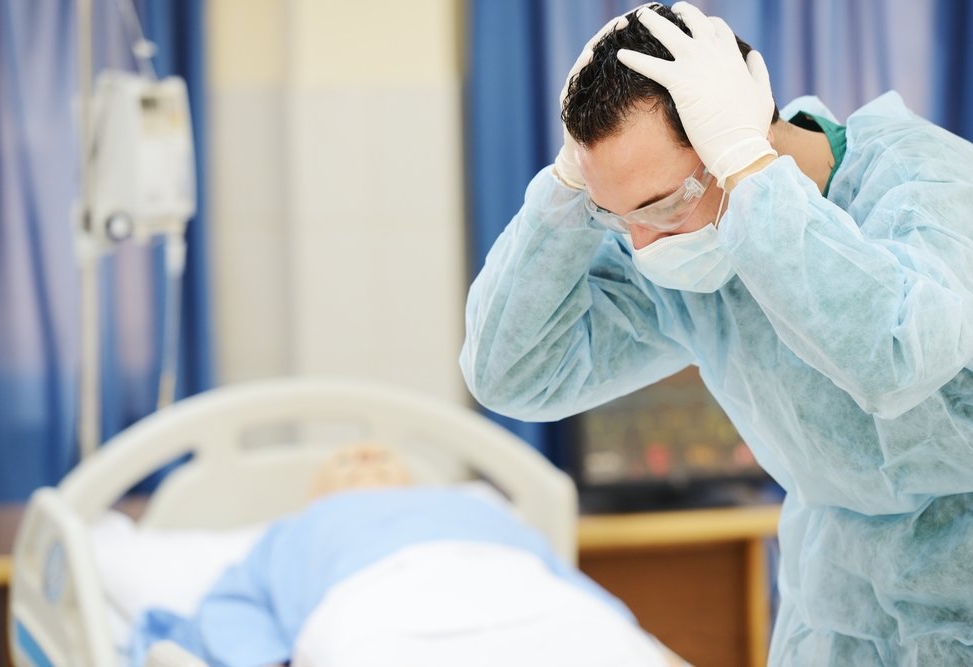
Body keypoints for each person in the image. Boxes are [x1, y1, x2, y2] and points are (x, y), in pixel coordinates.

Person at [460, 2, 973, 665]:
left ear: (741, 137)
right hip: (839, 610)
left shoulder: (925, 183)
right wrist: (568, 190)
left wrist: (747, 171)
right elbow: (512, 371)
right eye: (618, 217)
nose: (644, 246)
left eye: (662, 204)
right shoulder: (693, 256)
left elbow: (898, 353)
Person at [130, 443, 687, 667]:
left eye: (380, 460)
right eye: (345, 464)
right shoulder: (295, 532)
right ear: (317, 496)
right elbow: (233, 607)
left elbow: (552, 574)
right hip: (385, 619)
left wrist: (623, 629)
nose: (365, 455)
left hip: (537, 610)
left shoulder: (477, 509)